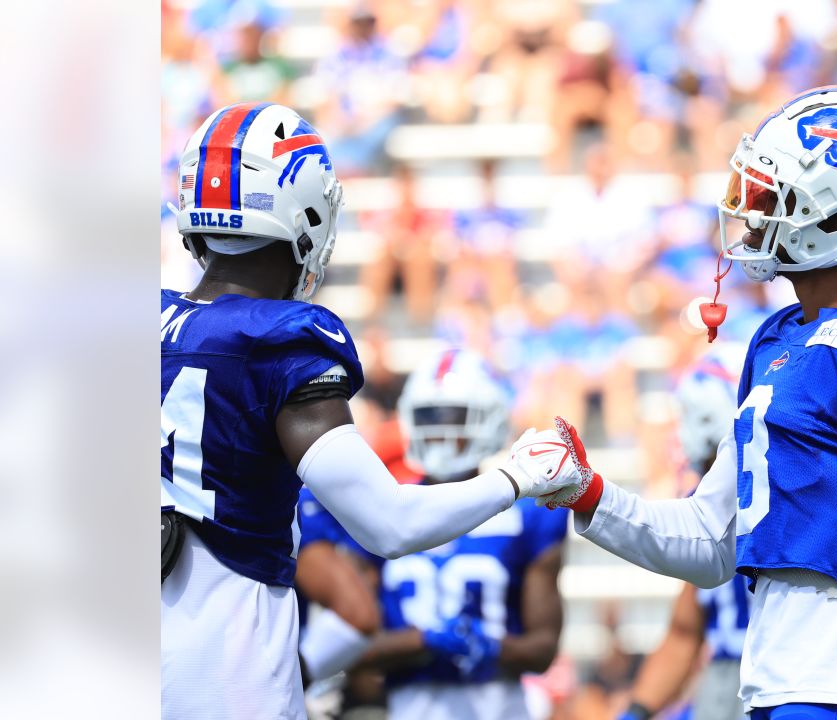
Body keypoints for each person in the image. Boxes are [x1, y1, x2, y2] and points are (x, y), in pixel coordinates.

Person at [535, 87, 837, 719]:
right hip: (774, 681)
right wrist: (590, 494)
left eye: (776, 195)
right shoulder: (777, 341)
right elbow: (710, 541)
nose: (754, 209)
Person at [160, 102, 584, 720]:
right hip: (230, 677)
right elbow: (390, 524)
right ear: (304, 208)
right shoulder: (281, 339)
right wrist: (515, 479)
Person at [353, 348, 569, 720]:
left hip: (499, 703)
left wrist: (491, 649)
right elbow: (350, 644)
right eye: (429, 419)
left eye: (454, 417)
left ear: (488, 419)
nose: (441, 432)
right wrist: (419, 642)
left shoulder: (528, 515)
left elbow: (543, 648)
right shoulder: (386, 506)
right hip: (407, 705)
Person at [621, 348, 752, 720]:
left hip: (788, 673)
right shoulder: (703, 503)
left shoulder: (788, 488)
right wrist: (637, 710)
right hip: (724, 678)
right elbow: (683, 632)